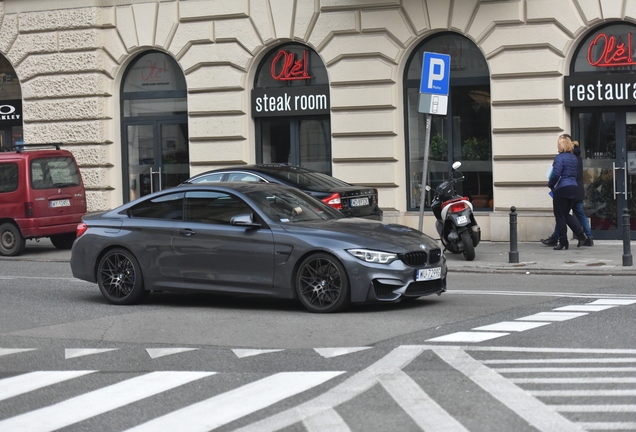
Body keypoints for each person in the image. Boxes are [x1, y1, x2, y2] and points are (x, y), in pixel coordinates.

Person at [541, 139, 593, 247]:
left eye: (558, 144)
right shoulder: (574, 158)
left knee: (560, 216)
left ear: (563, 145)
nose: (557, 146)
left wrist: (551, 185)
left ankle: (563, 241)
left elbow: (556, 174)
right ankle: (581, 236)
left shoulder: (559, 158)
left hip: (562, 189)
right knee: (565, 214)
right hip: (573, 188)